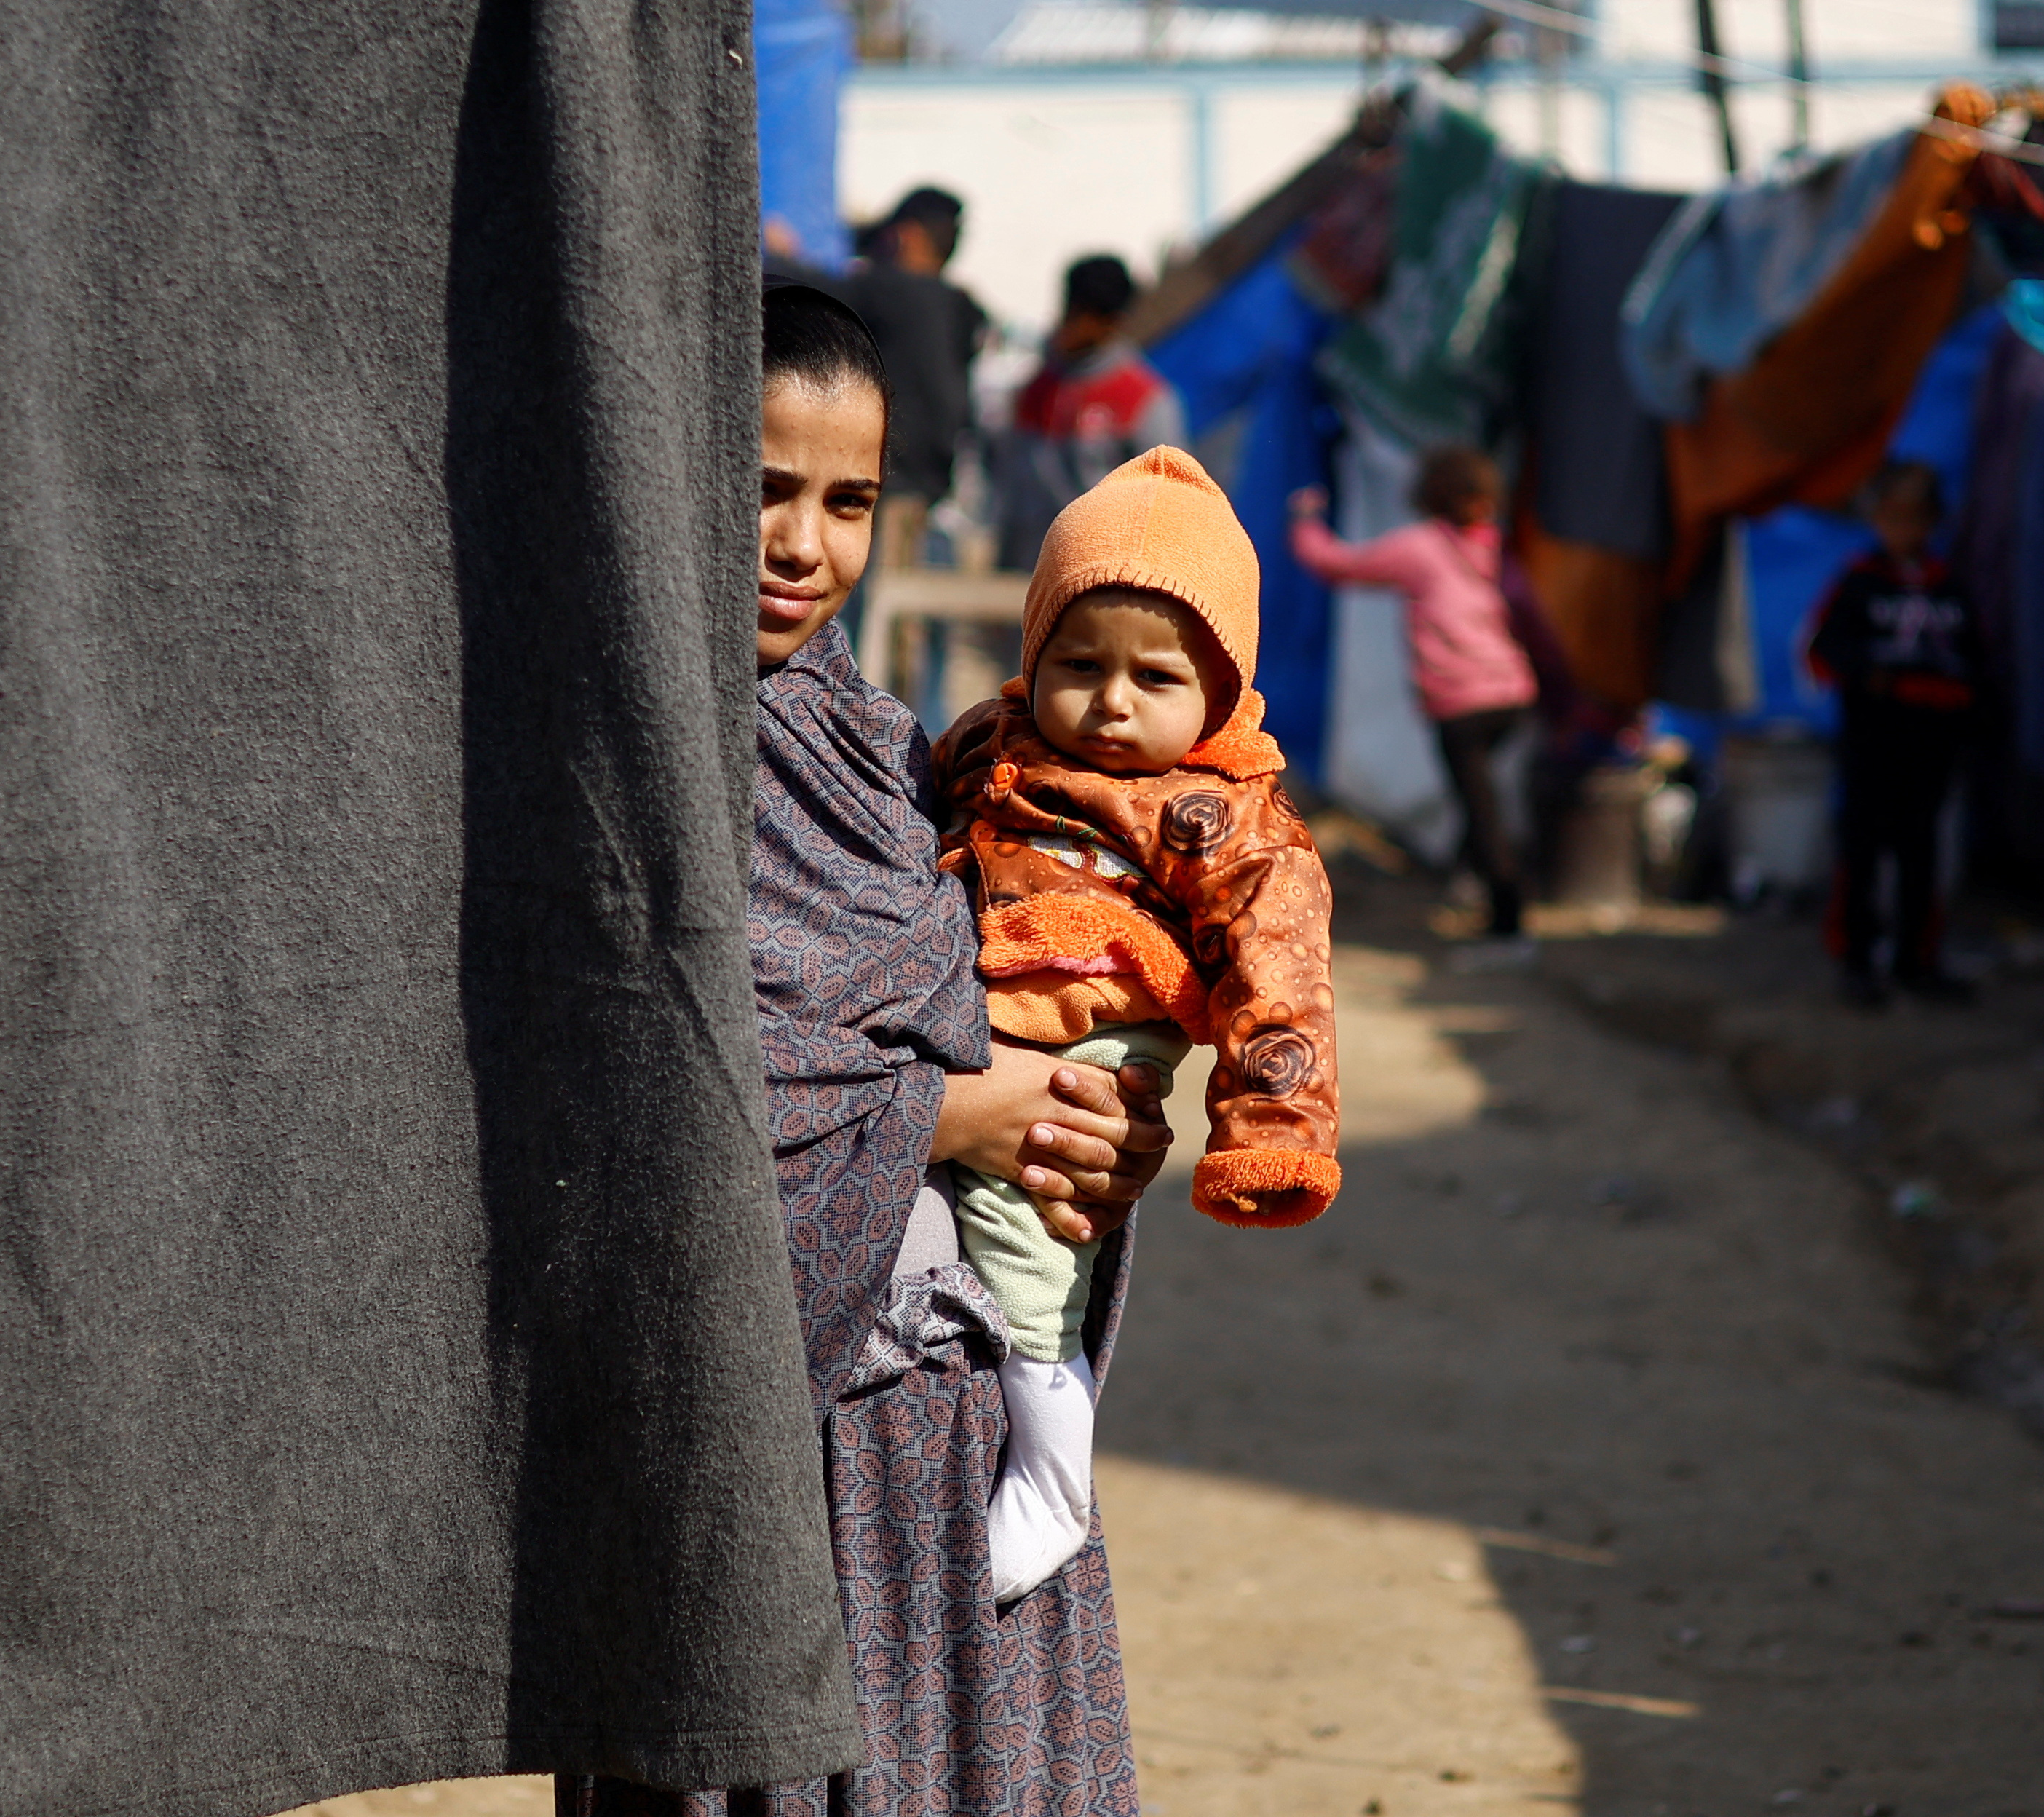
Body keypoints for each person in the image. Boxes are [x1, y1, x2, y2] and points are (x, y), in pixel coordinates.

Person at [561, 284, 1173, 1816]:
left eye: (850, 502)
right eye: (761, 489)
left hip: (953, 1426)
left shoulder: (894, 749)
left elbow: (1010, 999)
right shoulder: (605, 758)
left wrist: (1095, 1130)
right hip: (745, 1441)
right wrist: (948, 1117)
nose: (804, 546)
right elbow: (626, 1079)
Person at [933, 446, 1343, 1603]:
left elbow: (1283, 977)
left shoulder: (1222, 813)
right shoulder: (993, 743)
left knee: (1027, 1227)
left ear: (1219, 690)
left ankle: (1056, 1467)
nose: (1110, 702)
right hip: (984, 1008)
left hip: (1104, 1028)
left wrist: (1273, 1134)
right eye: (1079, 662)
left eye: (1154, 678)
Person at [1287, 446, 1542, 956]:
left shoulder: (1419, 548)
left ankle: (1508, 928)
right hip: (1512, 694)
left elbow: (1337, 564)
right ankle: (1468, 881)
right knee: (1480, 800)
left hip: (1463, 703)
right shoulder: (1493, 545)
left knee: (1483, 809)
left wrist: (1305, 520)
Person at [1802, 459, 1980, 1007]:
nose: (1907, 529)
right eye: (1895, 516)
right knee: (1861, 853)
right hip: (1871, 747)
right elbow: (1822, 653)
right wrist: (1875, 679)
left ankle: (1916, 961)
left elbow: (1977, 663)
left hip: (1930, 751)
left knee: (1921, 857)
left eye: (1918, 518)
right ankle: (1857, 962)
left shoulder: (1948, 588)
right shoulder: (1859, 583)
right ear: (1875, 518)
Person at [997, 253, 1188, 569]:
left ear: (1113, 321)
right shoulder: (1033, 393)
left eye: (1088, 316)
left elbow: (1169, 508)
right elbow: (1013, 497)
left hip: (1103, 584)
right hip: (1029, 581)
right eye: (1072, 311)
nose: (1074, 325)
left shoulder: (1143, 400)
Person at [834, 186, 986, 569]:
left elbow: (809, 290)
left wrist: (775, 250)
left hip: (894, 493)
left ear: (907, 236)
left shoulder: (895, 291)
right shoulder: (960, 307)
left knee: (880, 620)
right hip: (933, 496)